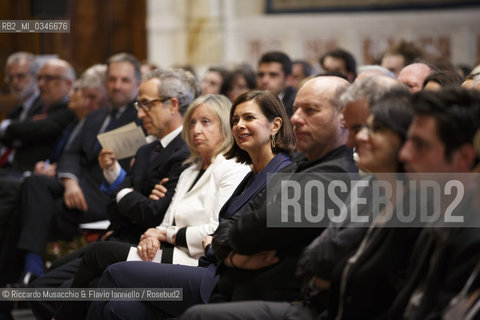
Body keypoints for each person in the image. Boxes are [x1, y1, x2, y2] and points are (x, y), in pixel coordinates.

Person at [179, 89, 414, 320]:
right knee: (144, 293)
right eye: (235, 120)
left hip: (253, 288)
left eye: (310, 110)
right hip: (230, 277)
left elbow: (315, 259)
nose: (296, 118)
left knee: (175, 303)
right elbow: (231, 226)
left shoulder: (331, 175)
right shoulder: (297, 167)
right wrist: (232, 256)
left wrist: (225, 251)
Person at [85, 89, 296, 319]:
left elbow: (237, 233)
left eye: (249, 118)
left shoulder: (281, 173)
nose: (239, 125)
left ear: (275, 125)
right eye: (235, 120)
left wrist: (218, 247)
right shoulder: (253, 172)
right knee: (119, 306)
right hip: (211, 268)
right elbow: (226, 229)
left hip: (221, 278)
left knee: (114, 271)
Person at [53, 93, 250, 320]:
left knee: (99, 254)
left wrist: (164, 234)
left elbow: (214, 231)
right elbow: (165, 220)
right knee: (104, 290)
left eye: (206, 122)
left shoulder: (233, 168)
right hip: (170, 253)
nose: (196, 130)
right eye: (192, 123)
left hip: (195, 261)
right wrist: (151, 237)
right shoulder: (190, 170)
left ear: (225, 126)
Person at [28, 68, 194, 320]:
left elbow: (154, 213)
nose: (139, 113)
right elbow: (114, 208)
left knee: (61, 295)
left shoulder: (184, 152)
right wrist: (129, 194)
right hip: (118, 236)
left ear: (172, 105)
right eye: (139, 105)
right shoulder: (146, 150)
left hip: (141, 247)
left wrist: (125, 192)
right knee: (39, 289)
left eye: (147, 105)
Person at [11, 53, 142, 284]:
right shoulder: (97, 115)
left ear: (137, 84)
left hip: (105, 196)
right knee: (33, 183)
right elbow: (71, 153)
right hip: (77, 190)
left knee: (21, 209)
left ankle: (28, 269)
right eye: (112, 80)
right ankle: (31, 265)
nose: (117, 86)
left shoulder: (140, 118)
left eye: (124, 80)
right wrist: (69, 181)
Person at [386, 88, 480, 319]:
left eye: (420, 145)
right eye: (408, 141)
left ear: (463, 158)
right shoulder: (437, 213)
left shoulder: (472, 237)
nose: (404, 154)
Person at [0, 58, 76, 173]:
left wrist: (6, 126)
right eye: (39, 78)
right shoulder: (43, 106)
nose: (40, 84)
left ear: (68, 83)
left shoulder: (70, 109)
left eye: (48, 78)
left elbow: (32, 129)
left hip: (33, 172)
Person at [257, 51, 297, 116]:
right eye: (261, 75)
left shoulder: (295, 105)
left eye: (273, 75)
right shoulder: (252, 102)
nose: (264, 80)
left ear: (288, 80)